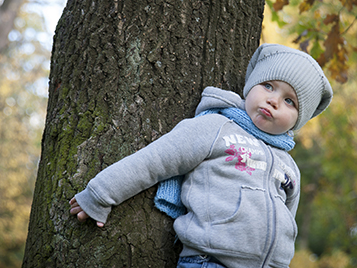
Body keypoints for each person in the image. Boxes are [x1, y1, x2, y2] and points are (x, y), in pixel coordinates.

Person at [69, 43, 333, 268]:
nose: (274, 100)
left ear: (299, 119)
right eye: (268, 86)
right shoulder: (216, 128)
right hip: (209, 260)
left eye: (290, 101)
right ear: (251, 86)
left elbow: (287, 219)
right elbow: (154, 160)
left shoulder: (289, 166)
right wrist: (100, 194)